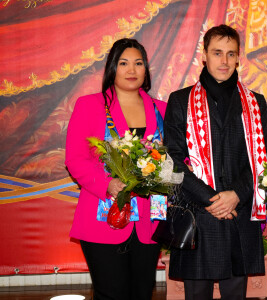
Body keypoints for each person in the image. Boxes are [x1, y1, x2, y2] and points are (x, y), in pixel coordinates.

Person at [164, 24, 267, 300]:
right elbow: (172, 162)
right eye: (217, 53)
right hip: (199, 216)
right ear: (204, 55)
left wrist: (236, 194)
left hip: (239, 214)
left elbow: (264, 161)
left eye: (230, 54)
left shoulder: (255, 103)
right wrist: (213, 200)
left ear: (238, 57)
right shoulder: (180, 101)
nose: (224, 61)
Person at [65, 38, 167, 300]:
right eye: (123, 63)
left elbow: (176, 160)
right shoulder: (89, 106)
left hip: (148, 220)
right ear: (112, 67)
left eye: (138, 63)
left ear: (146, 70)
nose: (131, 70)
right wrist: (106, 184)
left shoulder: (162, 110)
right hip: (103, 216)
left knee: (142, 293)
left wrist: (165, 175)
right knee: (111, 294)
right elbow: (75, 159)